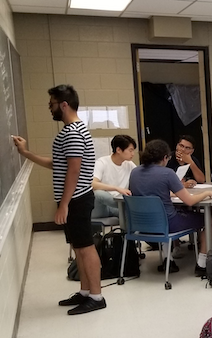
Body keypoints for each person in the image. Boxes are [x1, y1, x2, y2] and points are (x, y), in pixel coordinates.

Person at [12, 84, 105, 315]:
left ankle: (96, 296)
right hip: (74, 198)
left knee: (85, 247)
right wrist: (26, 154)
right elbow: (59, 164)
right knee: (78, 246)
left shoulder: (73, 132)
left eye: (51, 104)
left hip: (77, 199)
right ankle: (85, 293)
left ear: (64, 105)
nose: (50, 108)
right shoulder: (70, 131)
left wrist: (63, 204)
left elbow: (74, 170)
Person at [129, 139, 212, 277]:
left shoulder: (135, 172)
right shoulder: (167, 173)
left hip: (141, 224)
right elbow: (189, 201)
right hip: (168, 223)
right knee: (211, 219)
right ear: (165, 157)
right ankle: (202, 264)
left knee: (165, 215)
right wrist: (207, 193)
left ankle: (168, 260)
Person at [92, 135, 136, 218]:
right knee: (98, 194)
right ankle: (127, 208)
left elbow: (142, 178)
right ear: (118, 150)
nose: (133, 154)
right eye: (130, 150)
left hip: (118, 206)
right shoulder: (102, 162)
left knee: (129, 214)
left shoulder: (129, 164)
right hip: (103, 207)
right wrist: (116, 188)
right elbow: (93, 184)